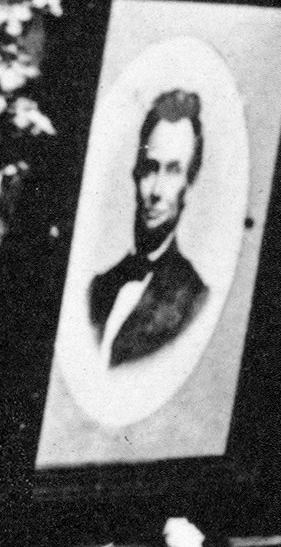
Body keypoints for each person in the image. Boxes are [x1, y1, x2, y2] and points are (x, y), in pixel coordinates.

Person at [81, 85, 211, 365]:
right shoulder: (97, 288)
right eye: (151, 168)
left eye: (174, 171)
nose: (157, 191)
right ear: (136, 172)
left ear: (189, 183)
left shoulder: (194, 299)